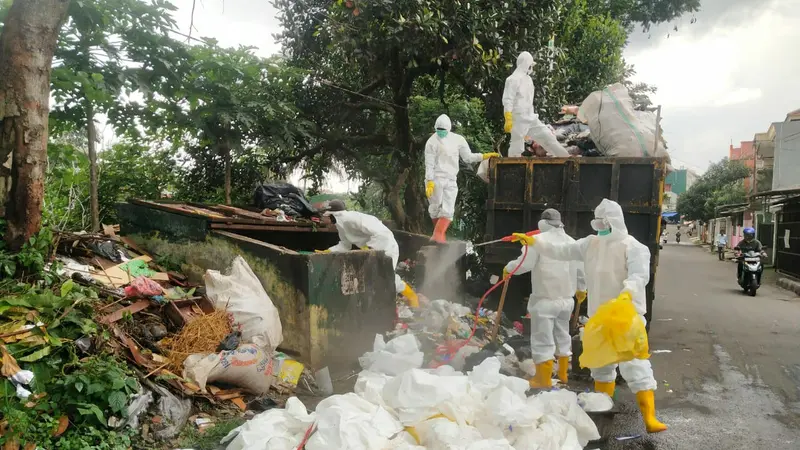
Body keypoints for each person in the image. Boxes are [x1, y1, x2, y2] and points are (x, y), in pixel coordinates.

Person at [511, 199, 667, 433]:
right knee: (602, 368)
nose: (601, 226)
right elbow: (562, 251)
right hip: (598, 317)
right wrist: (535, 242)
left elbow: (639, 276)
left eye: (606, 222)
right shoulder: (590, 244)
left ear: (616, 221)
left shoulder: (633, 247)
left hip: (626, 317)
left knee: (635, 366)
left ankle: (650, 418)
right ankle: (604, 411)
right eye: (598, 222)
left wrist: (628, 293)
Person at [503, 209, 586, 388]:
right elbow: (581, 270)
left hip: (545, 300)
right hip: (566, 301)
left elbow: (525, 263)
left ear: (543, 223)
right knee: (563, 334)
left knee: (543, 340)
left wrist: (509, 269)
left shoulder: (537, 242)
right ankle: (563, 374)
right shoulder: (572, 242)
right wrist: (581, 289)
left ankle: (543, 379)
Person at [319, 200, 419, 308]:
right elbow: (345, 245)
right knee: (373, 278)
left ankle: (412, 297)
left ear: (331, 215)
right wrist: (328, 251)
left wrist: (370, 248)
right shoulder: (341, 224)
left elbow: (380, 232)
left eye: (323, 215)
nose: (321, 218)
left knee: (387, 276)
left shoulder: (351, 219)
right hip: (373, 250)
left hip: (386, 246)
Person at [425, 114, 499, 243]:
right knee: (435, 207)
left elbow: (468, 157)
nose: (441, 133)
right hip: (435, 178)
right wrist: (430, 181)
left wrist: (484, 156)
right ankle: (437, 235)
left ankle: (438, 235)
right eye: (439, 130)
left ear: (449, 129)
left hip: (451, 178)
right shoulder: (431, 142)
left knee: (449, 209)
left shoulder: (458, 139)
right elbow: (429, 163)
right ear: (435, 128)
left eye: (443, 130)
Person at [502, 52, 569, 158]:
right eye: (530, 65)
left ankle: (566, 158)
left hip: (530, 117)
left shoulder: (528, 80)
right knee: (516, 147)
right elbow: (508, 100)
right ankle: (512, 169)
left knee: (547, 136)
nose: (531, 68)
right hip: (518, 118)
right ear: (526, 64)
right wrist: (508, 117)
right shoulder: (512, 80)